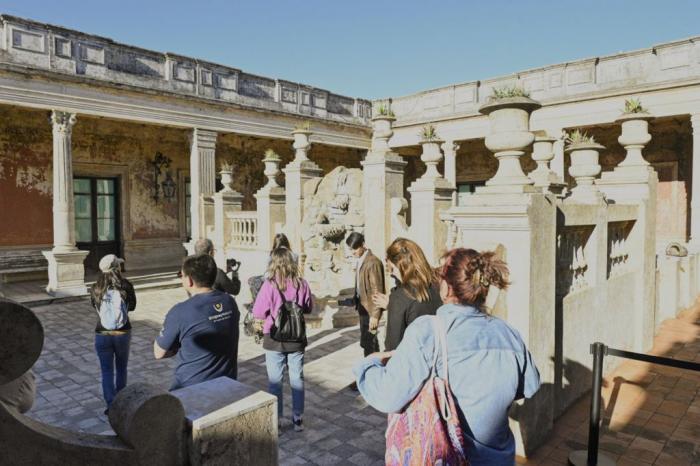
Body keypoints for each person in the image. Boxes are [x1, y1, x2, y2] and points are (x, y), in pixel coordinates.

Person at [353, 248, 541, 465]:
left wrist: (370, 364)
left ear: (447, 287)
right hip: (498, 458)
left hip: (450, 456)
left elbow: (387, 396)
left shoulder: (428, 332)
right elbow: (529, 385)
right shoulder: (508, 334)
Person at [154, 254, 240, 390]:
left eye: (181, 275)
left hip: (191, 389)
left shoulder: (180, 311)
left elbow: (159, 352)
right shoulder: (229, 302)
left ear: (189, 280)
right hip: (227, 383)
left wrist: (178, 346)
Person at [252, 247, 312, 432]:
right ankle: (298, 419)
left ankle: (276, 421)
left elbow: (258, 312)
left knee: (275, 380)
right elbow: (308, 307)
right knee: (297, 378)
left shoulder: (269, 285)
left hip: (274, 339)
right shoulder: (302, 284)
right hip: (296, 338)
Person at [371, 238, 442, 351]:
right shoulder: (440, 284)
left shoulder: (400, 297)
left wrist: (395, 306)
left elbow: (393, 346)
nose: (392, 274)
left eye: (392, 269)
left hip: (415, 361)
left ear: (401, 266)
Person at [90, 254, 136, 414]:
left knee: (107, 371)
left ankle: (111, 405)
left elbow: (94, 307)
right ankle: (121, 401)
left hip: (102, 333)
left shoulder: (96, 287)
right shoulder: (126, 285)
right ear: (117, 268)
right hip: (122, 332)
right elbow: (133, 307)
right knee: (121, 368)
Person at [346, 232, 385, 358]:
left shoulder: (372, 262)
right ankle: (374, 369)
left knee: (369, 342)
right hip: (363, 309)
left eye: (355, 248)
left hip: (370, 312)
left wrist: (375, 315)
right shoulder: (361, 260)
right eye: (351, 249)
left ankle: (372, 371)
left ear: (363, 244)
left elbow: (377, 290)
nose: (353, 252)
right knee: (368, 341)